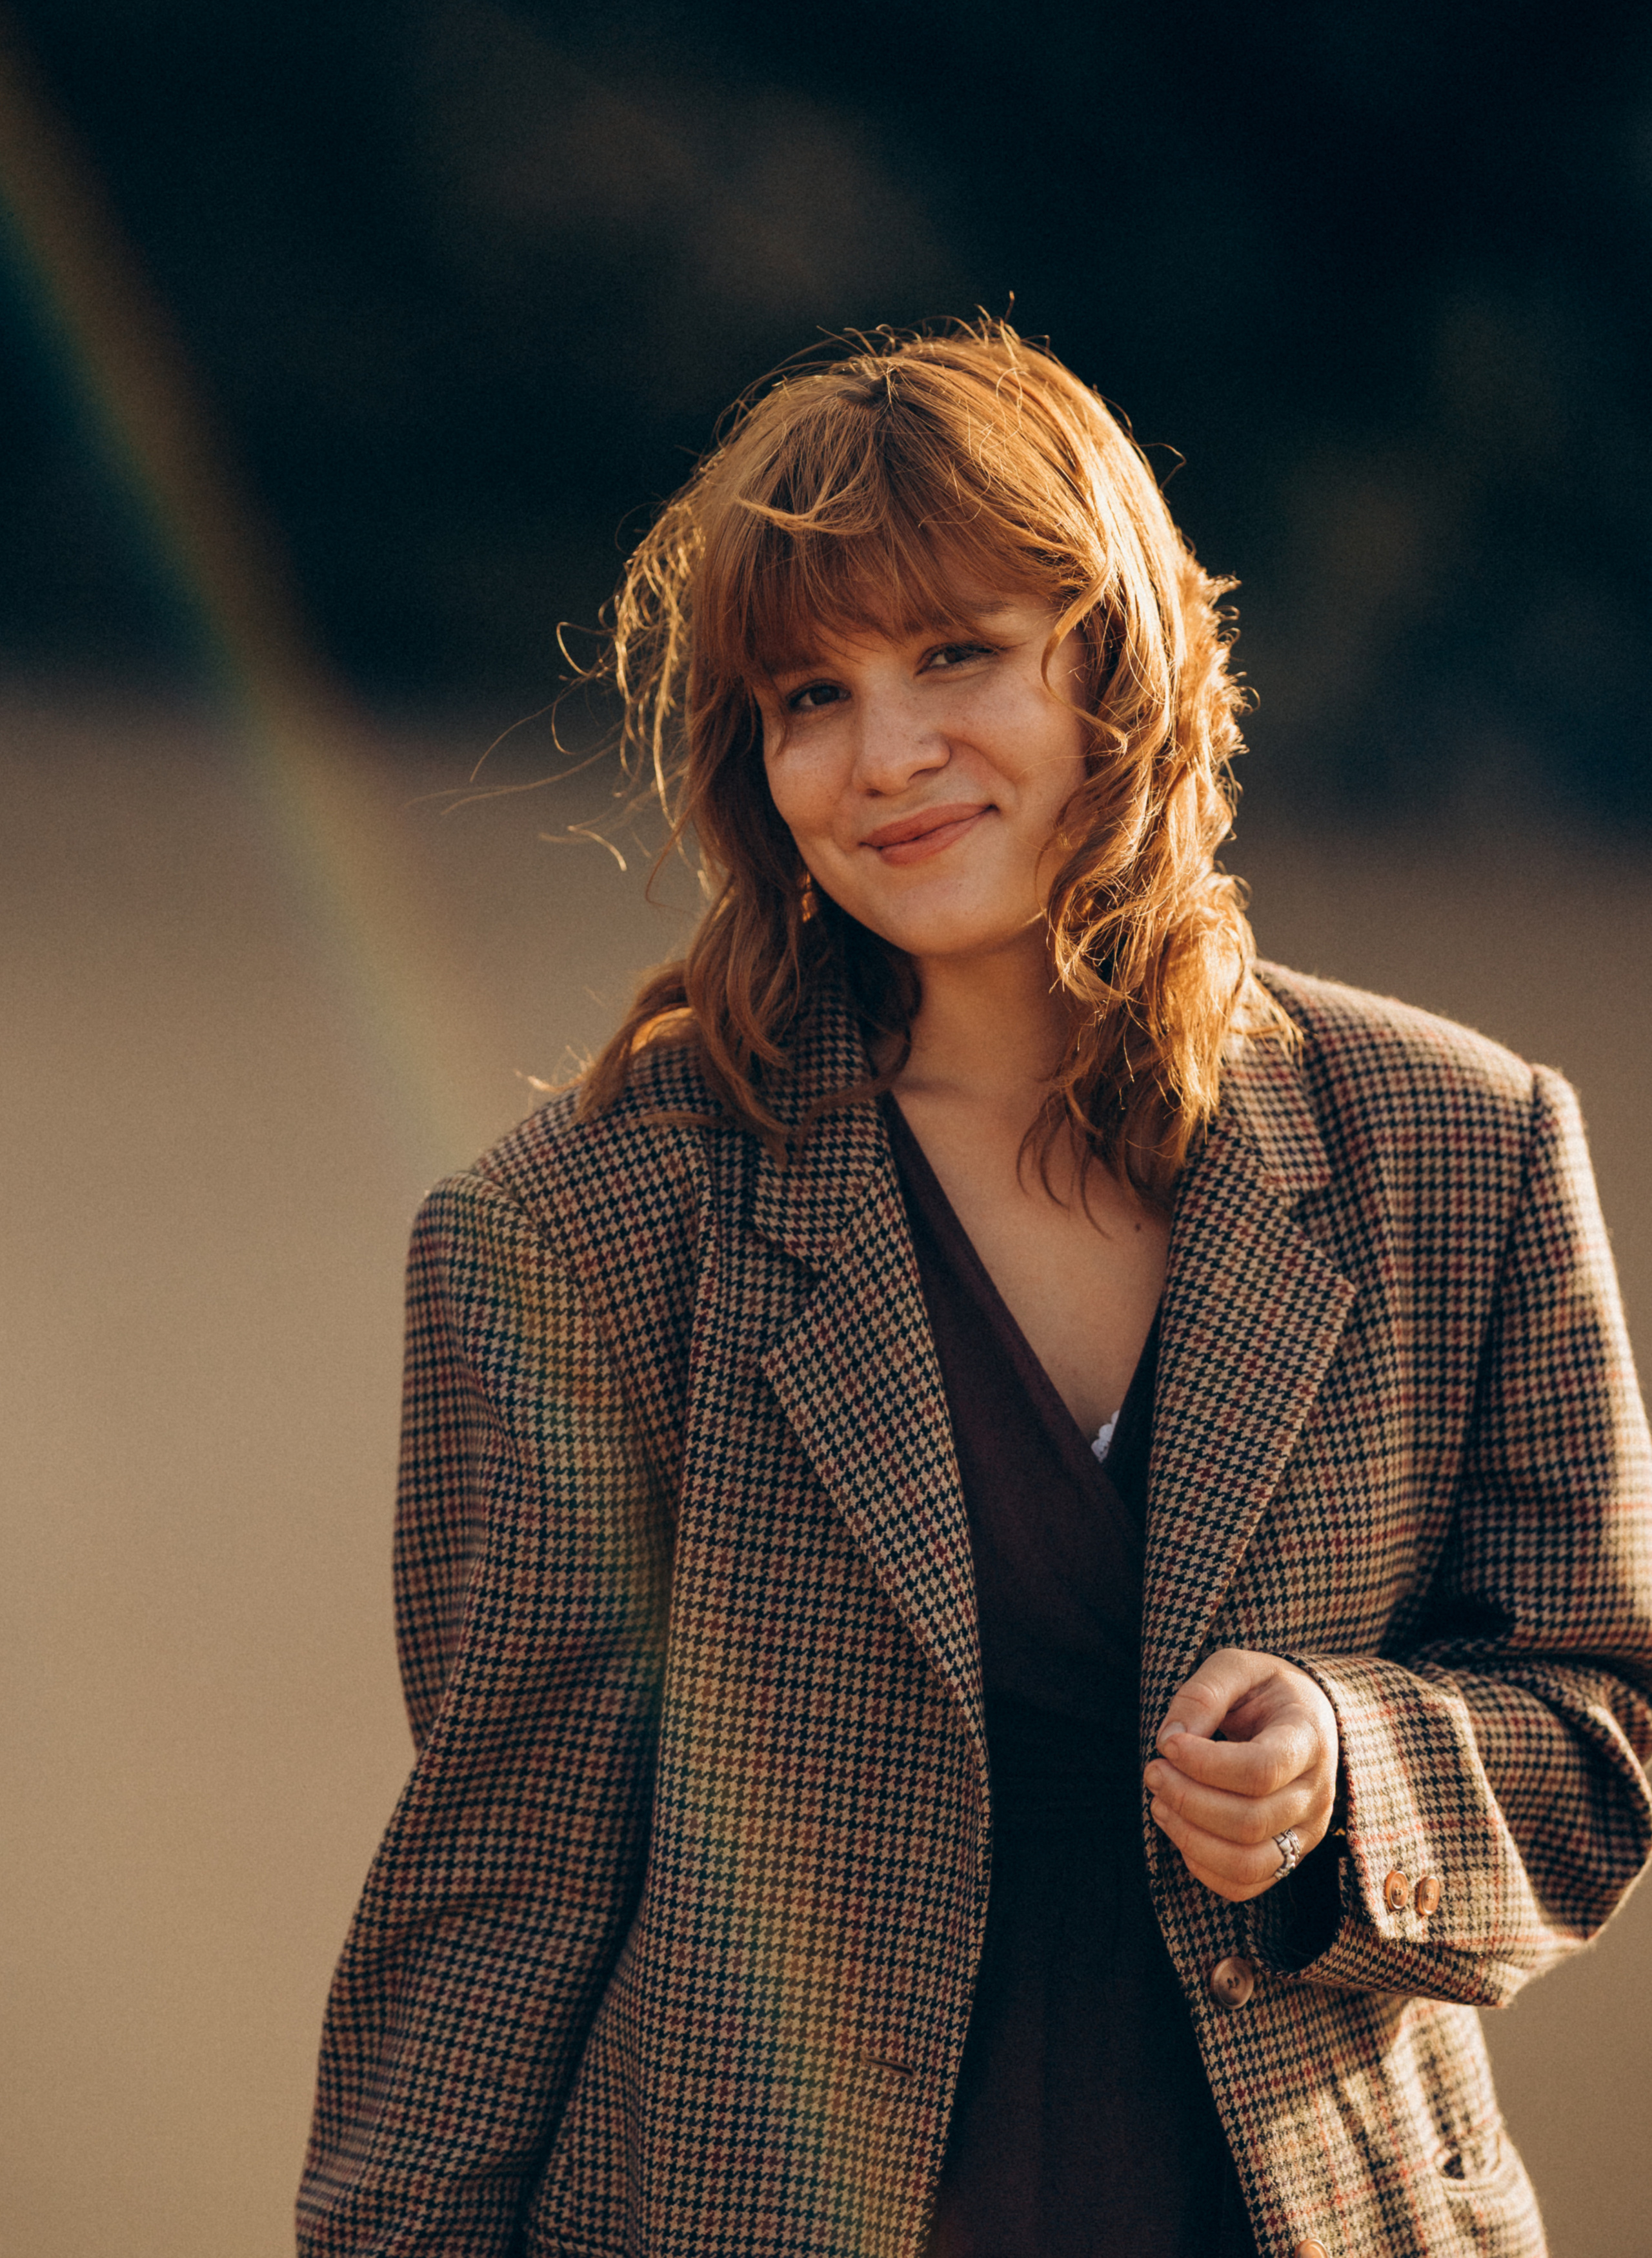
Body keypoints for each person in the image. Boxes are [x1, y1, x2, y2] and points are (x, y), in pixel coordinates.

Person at [297, 323, 1652, 2258]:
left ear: (1121, 656)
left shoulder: (1467, 1148)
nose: (887, 755)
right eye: (806, 693)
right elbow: (497, 1888)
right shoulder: (581, 1226)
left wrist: (1359, 1767)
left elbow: (1606, 1727)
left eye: (959, 654)